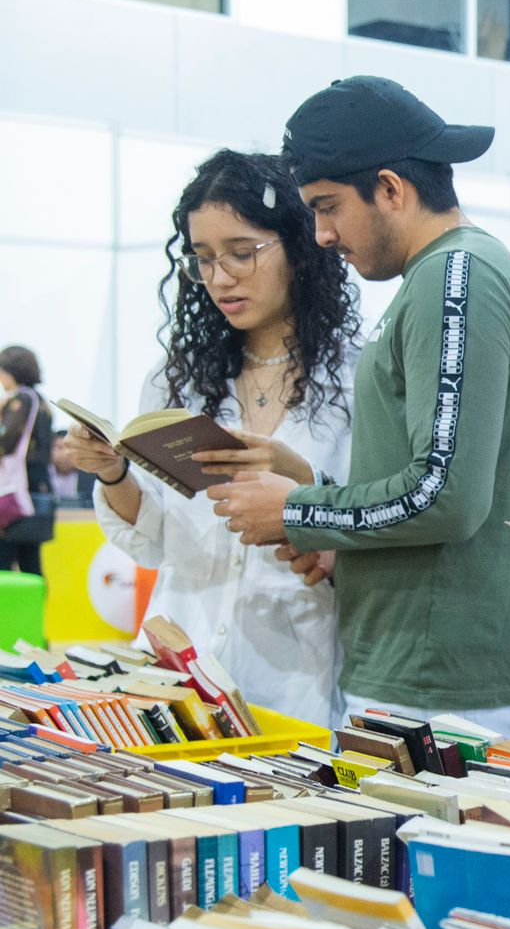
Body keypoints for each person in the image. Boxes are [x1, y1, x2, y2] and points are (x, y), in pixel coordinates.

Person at [211, 77, 510, 737]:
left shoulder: (455, 279)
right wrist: (324, 516)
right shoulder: (444, 279)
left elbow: (445, 494)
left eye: (327, 207)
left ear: (391, 189)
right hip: (426, 668)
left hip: (445, 682)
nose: (319, 234)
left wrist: (297, 511)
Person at [61, 150, 360, 729]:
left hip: (293, 673)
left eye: (242, 254)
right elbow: (152, 541)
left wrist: (309, 506)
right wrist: (112, 471)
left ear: (298, 247)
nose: (220, 278)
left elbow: (374, 528)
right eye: (203, 259)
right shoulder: (176, 381)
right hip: (178, 662)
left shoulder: (356, 381)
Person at [0, 346, 56, 575]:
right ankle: (33, 611)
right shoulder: (41, 402)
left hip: (17, 496)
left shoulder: (21, 399)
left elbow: (7, 441)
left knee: (4, 562)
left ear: (10, 371)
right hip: (37, 492)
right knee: (31, 564)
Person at [50, 431, 95, 508]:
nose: (64, 454)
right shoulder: (42, 476)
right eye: (59, 448)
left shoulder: (89, 477)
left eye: (69, 448)